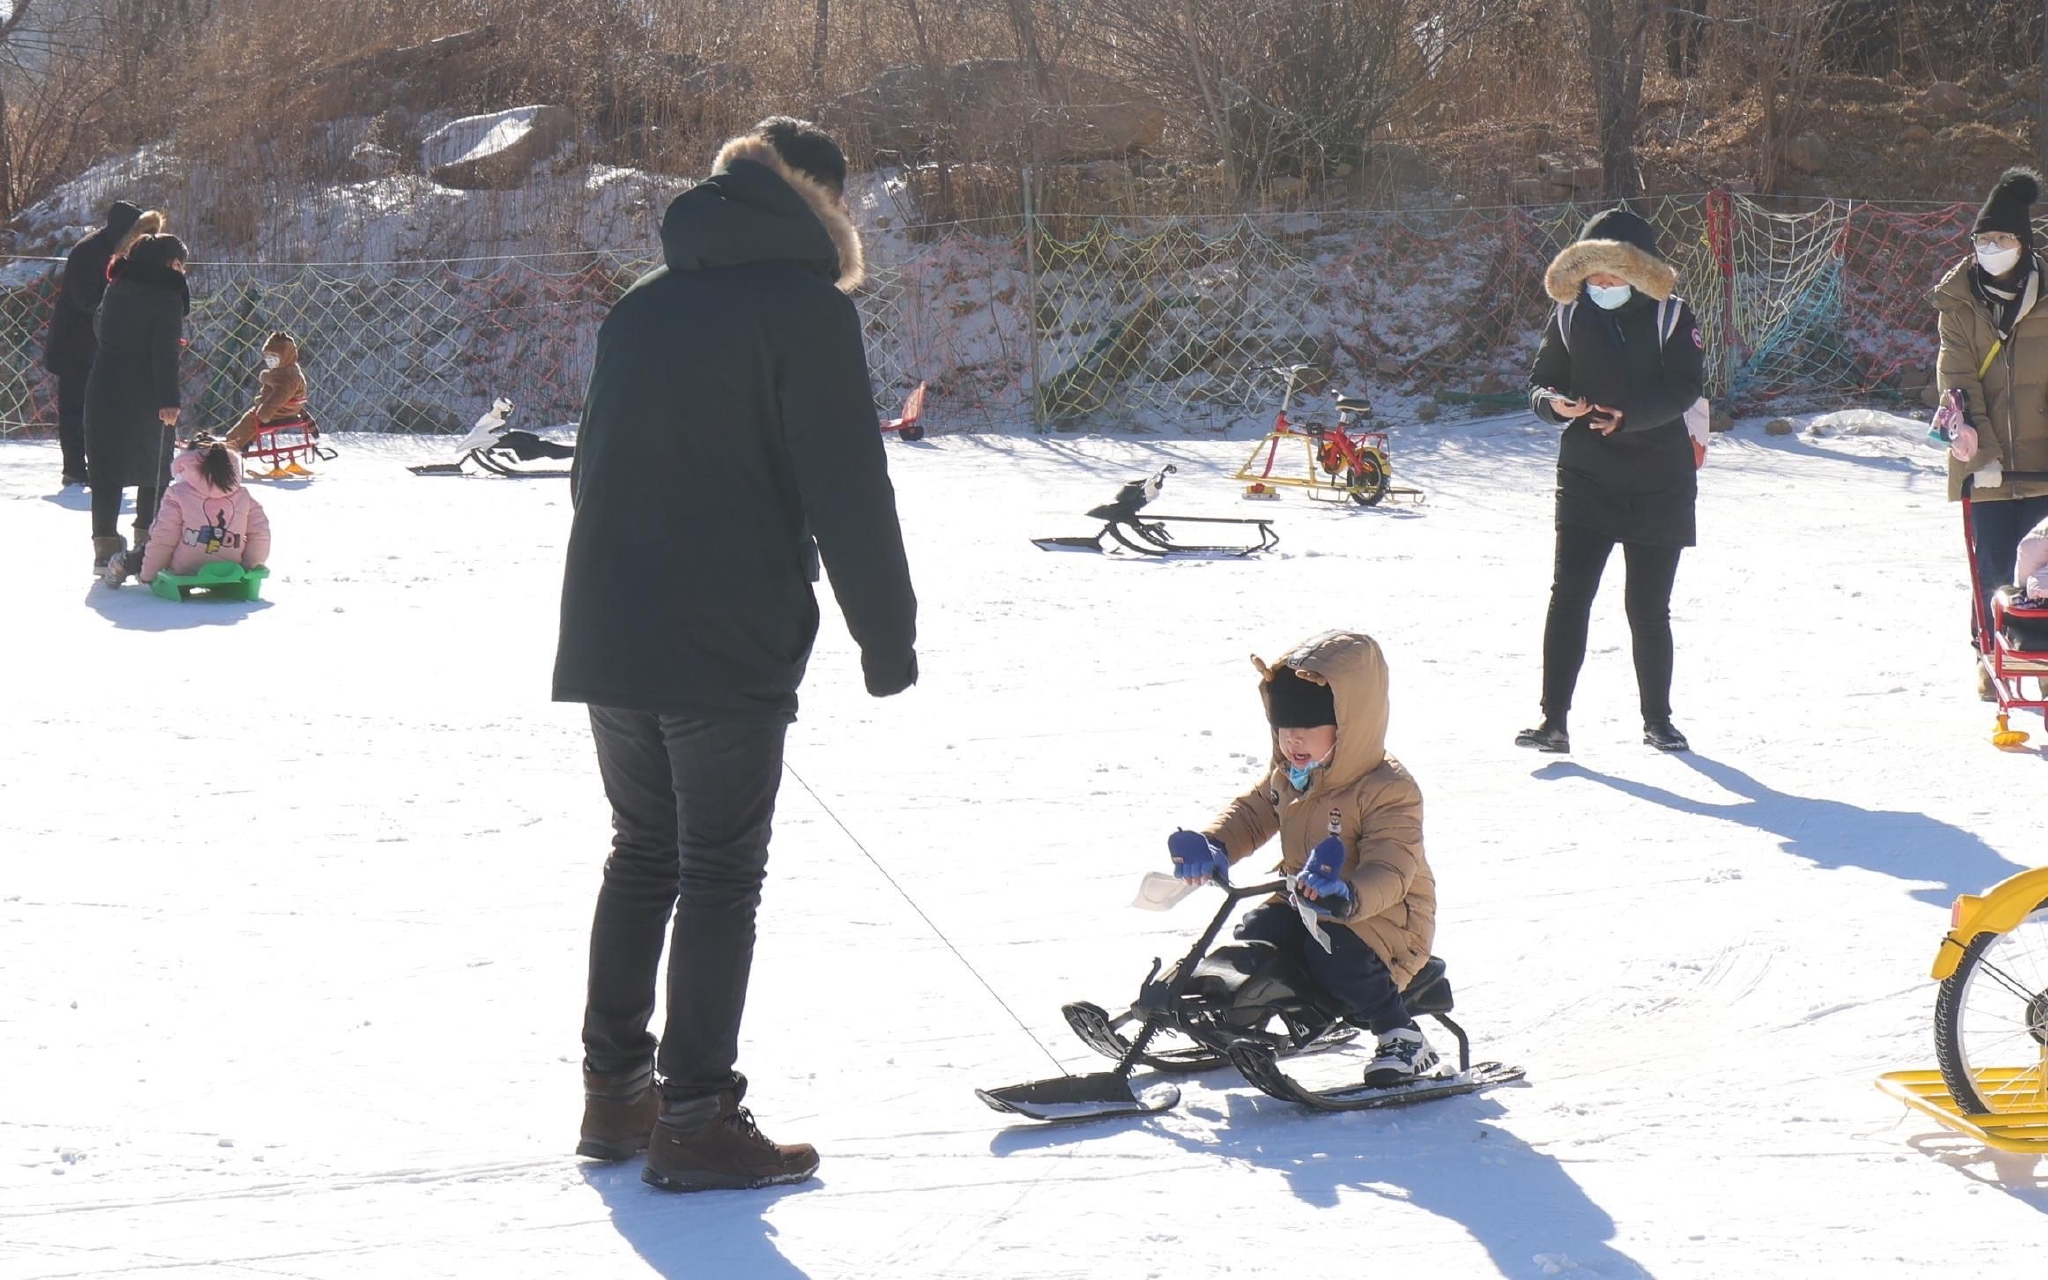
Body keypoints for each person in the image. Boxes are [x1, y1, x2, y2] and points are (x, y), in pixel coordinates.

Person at [552, 116, 917, 1193]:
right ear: (819, 205)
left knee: (642, 853)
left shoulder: (641, 307)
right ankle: (698, 1118)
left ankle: (615, 1092)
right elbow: (847, 485)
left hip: (610, 623)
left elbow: (591, 474)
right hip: (722, 633)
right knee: (717, 872)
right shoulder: (804, 312)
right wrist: (884, 633)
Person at [1167, 631, 1440, 1087]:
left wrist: (1348, 895)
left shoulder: (1389, 790)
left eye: (1308, 726)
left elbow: (1393, 868)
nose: (1292, 739)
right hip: (1306, 901)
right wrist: (1215, 844)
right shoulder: (1293, 775)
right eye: (1283, 726)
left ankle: (1400, 1032)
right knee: (1258, 936)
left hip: (1384, 920)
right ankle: (1259, 1017)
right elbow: (1252, 815)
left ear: (1351, 724)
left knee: (1332, 950)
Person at [1518, 207, 1706, 755]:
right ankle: (1553, 722)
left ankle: (1659, 720)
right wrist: (1553, 405)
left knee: (1648, 608)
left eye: (1613, 275)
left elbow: (1684, 388)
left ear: (1638, 272)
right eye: (1592, 275)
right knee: (1568, 597)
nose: (1601, 285)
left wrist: (1631, 416)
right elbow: (1539, 380)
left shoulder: (1672, 315)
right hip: (1585, 476)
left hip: (1659, 479)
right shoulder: (1570, 315)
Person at [1934, 167, 2048, 697]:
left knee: (2042, 572)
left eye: (1999, 239)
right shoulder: (1959, 303)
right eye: (1982, 240)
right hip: (1986, 462)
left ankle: (2041, 659)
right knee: (1994, 566)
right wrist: (1980, 451)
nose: (1989, 248)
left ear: (2022, 244)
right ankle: (1990, 656)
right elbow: (1957, 379)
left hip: (2044, 463)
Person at [84, 228, 188, 575]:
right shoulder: (168, 295)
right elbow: (164, 353)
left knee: (105, 470)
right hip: (147, 394)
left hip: (104, 389)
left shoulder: (116, 287)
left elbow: (100, 330)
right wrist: (169, 400)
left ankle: (104, 550)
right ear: (171, 263)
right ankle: (148, 548)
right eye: (180, 264)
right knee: (154, 468)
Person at [41, 201, 146, 487]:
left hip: (103, 345)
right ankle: (74, 467)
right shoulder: (88, 251)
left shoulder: (121, 250)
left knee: (109, 408)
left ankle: (110, 464)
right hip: (75, 345)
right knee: (75, 409)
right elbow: (87, 301)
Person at [103, 438, 271, 587]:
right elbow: (260, 534)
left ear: (187, 465)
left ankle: (120, 566)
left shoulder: (177, 494)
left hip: (183, 569)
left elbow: (164, 538)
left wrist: (150, 575)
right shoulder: (244, 497)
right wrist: (249, 567)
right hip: (230, 567)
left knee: (151, 547)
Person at [224, 331, 317, 475]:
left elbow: (278, 398)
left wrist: (263, 413)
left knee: (247, 423)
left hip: (277, 413)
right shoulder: (289, 371)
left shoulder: (286, 377)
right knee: (251, 425)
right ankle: (245, 442)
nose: (270, 360)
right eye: (267, 356)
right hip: (289, 410)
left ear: (286, 357)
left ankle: (230, 449)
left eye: (274, 357)